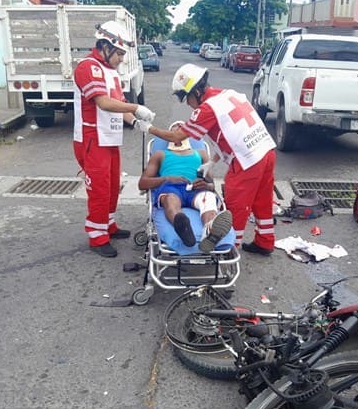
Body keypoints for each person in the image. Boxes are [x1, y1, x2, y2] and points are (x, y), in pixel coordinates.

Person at [136, 63, 277, 256]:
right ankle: (265, 241)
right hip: (265, 150)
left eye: (187, 98)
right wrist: (212, 162)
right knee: (262, 200)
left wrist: (149, 128)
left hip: (247, 160)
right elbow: (232, 135)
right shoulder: (230, 94)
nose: (187, 104)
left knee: (235, 206)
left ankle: (227, 251)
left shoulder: (207, 109)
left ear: (196, 90)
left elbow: (178, 137)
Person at [73, 21, 155, 258]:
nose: (121, 59)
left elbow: (118, 106)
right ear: (105, 46)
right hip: (92, 138)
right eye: (119, 53)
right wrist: (136, 106)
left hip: (109, 138)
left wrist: (136, 121)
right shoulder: (88, 67)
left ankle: (108, 225)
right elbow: (103, 102)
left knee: (111, 186)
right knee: (98, 188)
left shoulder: (110, 72)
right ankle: (97, 236)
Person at [138, 121, 233, 254]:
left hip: (196, 189)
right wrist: (167, 178)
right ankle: (183, 227)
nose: (179, 127)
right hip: (171, 187)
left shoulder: (200, 154)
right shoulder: (160, 154)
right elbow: (142, 183)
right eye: (175, 127)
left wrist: (206, 184)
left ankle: (209, 231)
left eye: (182, 127)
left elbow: (212, 185)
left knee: (209, 197)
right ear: (169, 135)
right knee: (170, 200)